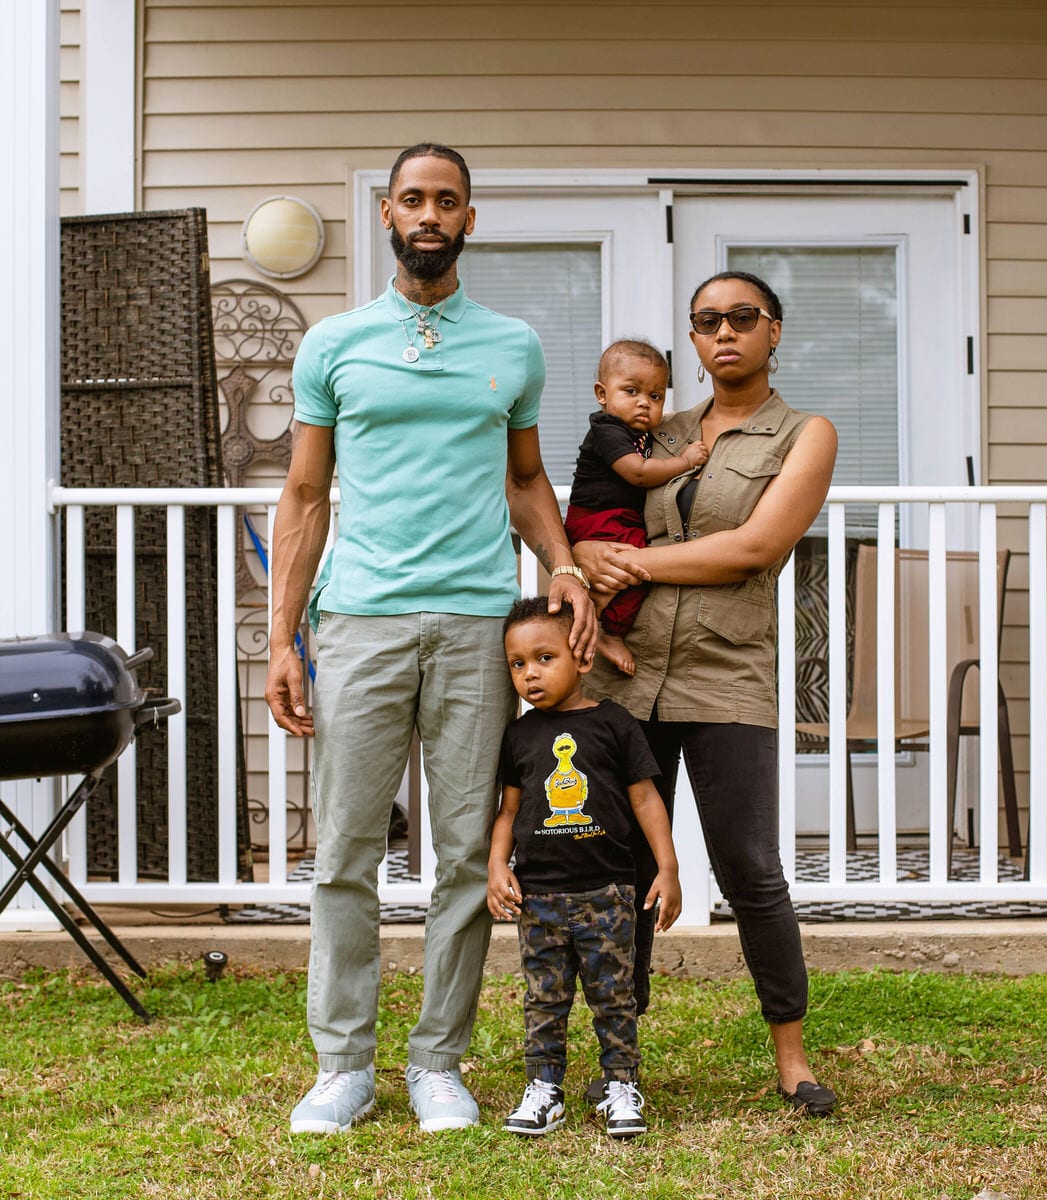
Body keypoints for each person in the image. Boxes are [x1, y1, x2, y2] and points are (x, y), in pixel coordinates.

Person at [265, 144, 595, 1136]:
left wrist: (566, 565)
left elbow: (527, 479)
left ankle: (438, 1063)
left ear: (469, 220)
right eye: (412, 198)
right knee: (345, 852)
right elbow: (305, 493)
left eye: (446, 201)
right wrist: (285, 637)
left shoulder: (513, 346)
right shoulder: (335, 344)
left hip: (473, 621)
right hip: (360, 620)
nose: (428, 214)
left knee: (462, 851)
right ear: (387, 217)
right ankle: (343, 1067)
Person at [573, 270, 842, 1117]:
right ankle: (620, 1061)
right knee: (617, 869)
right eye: (705, 321)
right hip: (625, 671)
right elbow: (589, 515)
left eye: (742, 318)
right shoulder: (652, 428)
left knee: (750, 869)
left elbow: (753, 548)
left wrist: (631, 563)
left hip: (728, 673)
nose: (723, 332)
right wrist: (580, 559)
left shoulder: (805, 434)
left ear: (774, 331)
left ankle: (793, 1061)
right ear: (691, 339)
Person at [485, 596, 681, 1139]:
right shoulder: (519, 735)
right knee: (544, 997)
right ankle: (544, 1089)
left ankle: (621, 1086)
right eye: (517, 664)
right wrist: (498, 866)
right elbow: (508, 811)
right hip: (540, 897)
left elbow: (646, 800)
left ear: (583, 659)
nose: (530, 674)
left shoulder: (614, 724)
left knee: (612, 995)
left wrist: (667, 868)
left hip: (608, 892)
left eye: (545, 658)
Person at [564, 340, 709, 677]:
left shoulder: (637, 431)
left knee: (637, 570)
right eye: (631, 391)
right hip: (598, 517)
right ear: (602, 393)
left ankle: (600, 617)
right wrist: (685, 461)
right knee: (636, 568)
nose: (644, 403)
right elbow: (638, 472)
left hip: (614, 517)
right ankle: (604, 626)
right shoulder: (607, 430)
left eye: (656, 396)